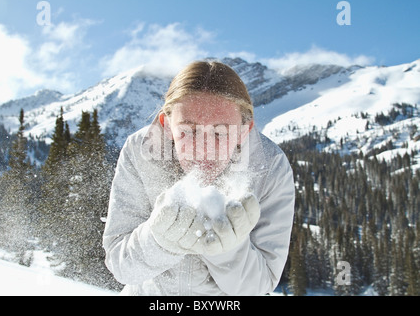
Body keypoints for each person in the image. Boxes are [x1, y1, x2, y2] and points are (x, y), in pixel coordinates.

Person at [102, 60, 295, 295]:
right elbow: (121, 267)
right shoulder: (140, 151)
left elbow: (261, 284)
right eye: (187, 131)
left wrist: (227, 250)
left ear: (244, 130)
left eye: (220, 132)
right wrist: (159, 241)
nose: (203, 149)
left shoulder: (270, 167)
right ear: (167, 125)